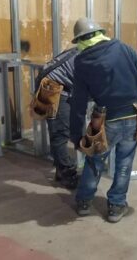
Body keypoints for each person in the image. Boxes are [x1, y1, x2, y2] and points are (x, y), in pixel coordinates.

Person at [69, 18, 137, 223]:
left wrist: (77, 137)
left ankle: (84, 202)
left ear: (80, 40)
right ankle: (116, 206)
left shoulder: (81, 62)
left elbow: (79, 104)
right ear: (100, 33)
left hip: (105, 120)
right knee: (124, 162)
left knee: (94, 160)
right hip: (134, 115)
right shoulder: (122, 48)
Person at [35, 48, 80, 189]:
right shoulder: (90, 58)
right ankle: (66, 172)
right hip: (52, 87)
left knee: (59, 130)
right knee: (59, 132)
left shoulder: (85, 50)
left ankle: (61, 169)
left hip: (54, 83)